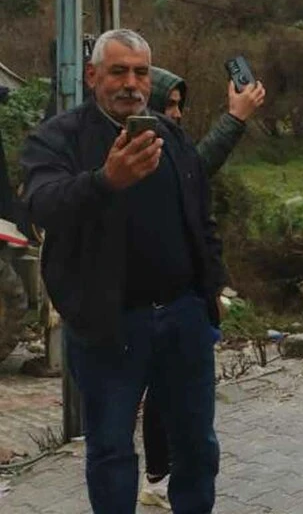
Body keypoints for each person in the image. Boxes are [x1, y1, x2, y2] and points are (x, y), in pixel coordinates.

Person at [21, 28, 225, 513]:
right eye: (118, 71)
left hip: (183, 318)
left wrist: (209, 293)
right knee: (111, 449)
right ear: (93, 76)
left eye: (140, 72)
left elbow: (200, 215)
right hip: (108, 326)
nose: (132, 83)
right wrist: (105, 182)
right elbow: (43, 205)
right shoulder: (58, 138)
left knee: (197, 446)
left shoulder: (170, 135)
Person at [137, 66, 266, 507]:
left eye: (178, 105)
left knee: (177, 404)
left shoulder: (172, 146)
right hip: (143, 305)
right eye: (167, 105)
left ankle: (161, 477)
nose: (175, 114)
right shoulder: (140, 150)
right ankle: (156, 477)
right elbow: (198, 164)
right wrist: (234, 118)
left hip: (183, 300)